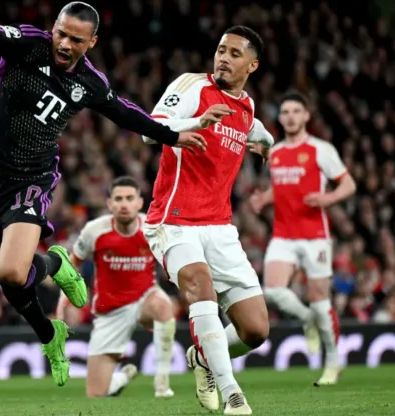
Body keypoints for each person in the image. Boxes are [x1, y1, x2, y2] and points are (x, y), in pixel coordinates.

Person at [0, 2, 205, 387]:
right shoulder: (31, 45)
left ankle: (55, 264)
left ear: (92, 42)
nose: (65, 44)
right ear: (53, 28)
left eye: (76, 39)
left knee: (12, 271)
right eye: (62, 33)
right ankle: (50, 336)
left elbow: (124, 112)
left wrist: (171, 136)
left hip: (29, 178)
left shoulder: (89, 83)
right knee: (8, 283)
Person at [141, 26, 275, 415]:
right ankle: (234, 394)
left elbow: (259, 132)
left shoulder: (246, 107)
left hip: (219, 228)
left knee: (256, 330)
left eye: (234, 53)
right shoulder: (191, 87)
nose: (223, 58)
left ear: (252, 65)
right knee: (200, 285)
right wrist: (196, 122)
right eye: (220, 50)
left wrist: (265, 145)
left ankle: (203, 358)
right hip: (174, 220)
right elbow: (151, 132)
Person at [249, 91, 356, 386]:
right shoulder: (277, 152)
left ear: (306, 116)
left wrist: (327, 197)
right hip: (283, 234)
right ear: (280, 118)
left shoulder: (321, 149)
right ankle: (308, 319)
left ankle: (332, 363)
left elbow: (348, 184)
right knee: (272, 290)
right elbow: (284, 186)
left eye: (296, 111)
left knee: (320, 299)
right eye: (285, 112)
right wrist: (264, 200)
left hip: (314, 236)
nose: (291, 116)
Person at [56, 176, 176, 398]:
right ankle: (121, 378)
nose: (124, 204)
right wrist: (65, 298)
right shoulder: (94, 230)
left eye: (130, 198)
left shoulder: (153, 229)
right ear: (110, 204)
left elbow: (175, 261)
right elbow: (73, 264)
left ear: (140, 203)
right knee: (96, 394)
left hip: (144, 299)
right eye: (118, 199)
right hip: (109, 310)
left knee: (163, 304)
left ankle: (162, 383)